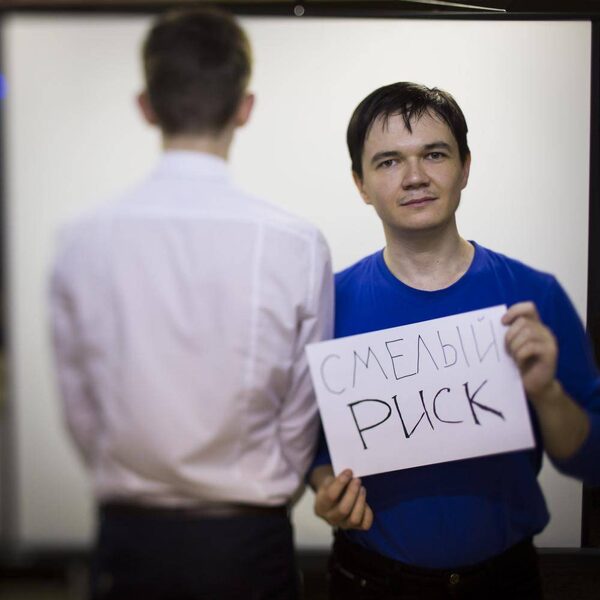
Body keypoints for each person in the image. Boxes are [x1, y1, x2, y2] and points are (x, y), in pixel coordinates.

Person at [49, 8, 333, 600]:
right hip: (249, 543)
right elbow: (301, 411)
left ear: (146, 106)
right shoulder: (297, 244)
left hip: (129, 539)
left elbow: (82, 411)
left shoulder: (81, 241)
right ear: (245, 107)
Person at [309, 81, 600, 599]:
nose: (415, 177)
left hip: (505, 580)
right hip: (370, 578)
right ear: (360, 184)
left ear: (465, 167)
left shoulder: (534, 296)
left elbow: (591, 463)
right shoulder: (326, 306)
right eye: (388, 162)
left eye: (435, 154)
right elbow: (308, 447)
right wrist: (325, 488)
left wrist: (548, 393)